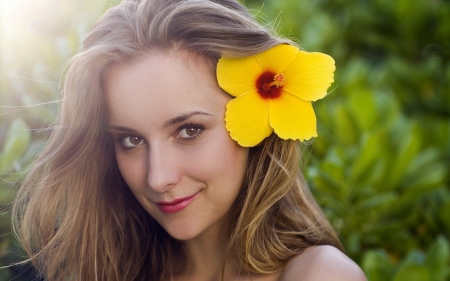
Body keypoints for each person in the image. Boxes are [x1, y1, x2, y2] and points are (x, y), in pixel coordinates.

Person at [12, 0, 367, 280]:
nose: (157, 177)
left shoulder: (319, 276)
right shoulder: (108, 272)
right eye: (131, 140)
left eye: (189, 131)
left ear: (259, 127)